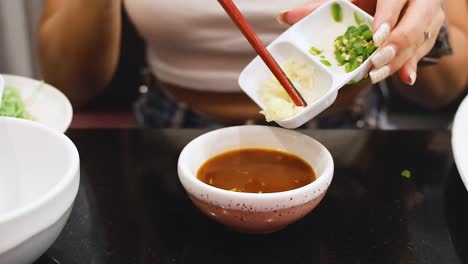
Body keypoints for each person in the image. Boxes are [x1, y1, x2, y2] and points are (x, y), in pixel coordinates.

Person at [37, 0, 465, 128]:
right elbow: (68, 83)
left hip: (351, 137)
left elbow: (446, 87)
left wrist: (423, 31)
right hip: (165, 138)